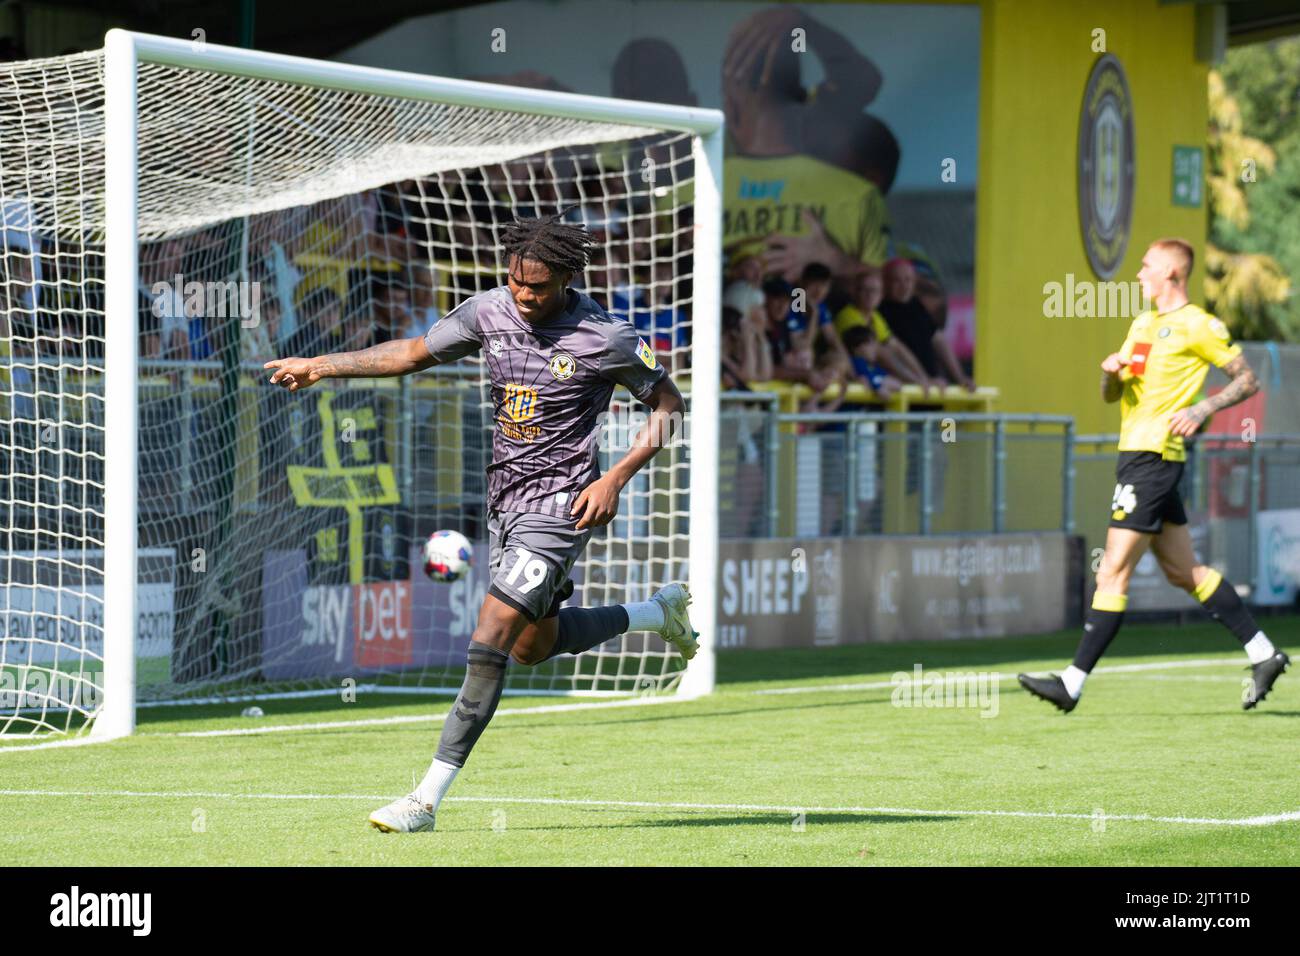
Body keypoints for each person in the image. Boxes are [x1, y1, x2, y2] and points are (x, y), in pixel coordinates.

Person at [265, 212, 699, 832]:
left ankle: (424, 801)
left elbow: (667, 404)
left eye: (540, 287)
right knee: (532, 647)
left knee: (488, 640)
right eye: (518, 282)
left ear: (570, 278)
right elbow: (414, 352)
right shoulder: (489, 311)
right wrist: (323, 365)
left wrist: (616, 476)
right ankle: (657, 613)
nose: (525, 295)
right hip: (503, 502)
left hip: (561, 505)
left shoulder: (607, 337)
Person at [1019, 238, 1289, 713]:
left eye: (1146, 266)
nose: (1139, 274)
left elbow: (1248, 379)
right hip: (1138, 457)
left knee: (1112, 572)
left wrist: (1203, 406)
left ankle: (1072, 683)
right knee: (1184, 571)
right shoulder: (1142, 324)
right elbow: (1112, 395)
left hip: (1153, 459)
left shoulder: (1197, 325)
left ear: (1171, 273)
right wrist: (1109, 373)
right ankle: (1263, 653)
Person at [878, 258, 973, 391]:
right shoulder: (879, 311)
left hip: (930, 387)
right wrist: (922, 379)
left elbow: (939, 341)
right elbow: (894, 352)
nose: (904, 285)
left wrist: (960, 378)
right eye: (897, 280)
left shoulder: (916, 305)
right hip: (903, 389)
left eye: (908, 280)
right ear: (885, 282)